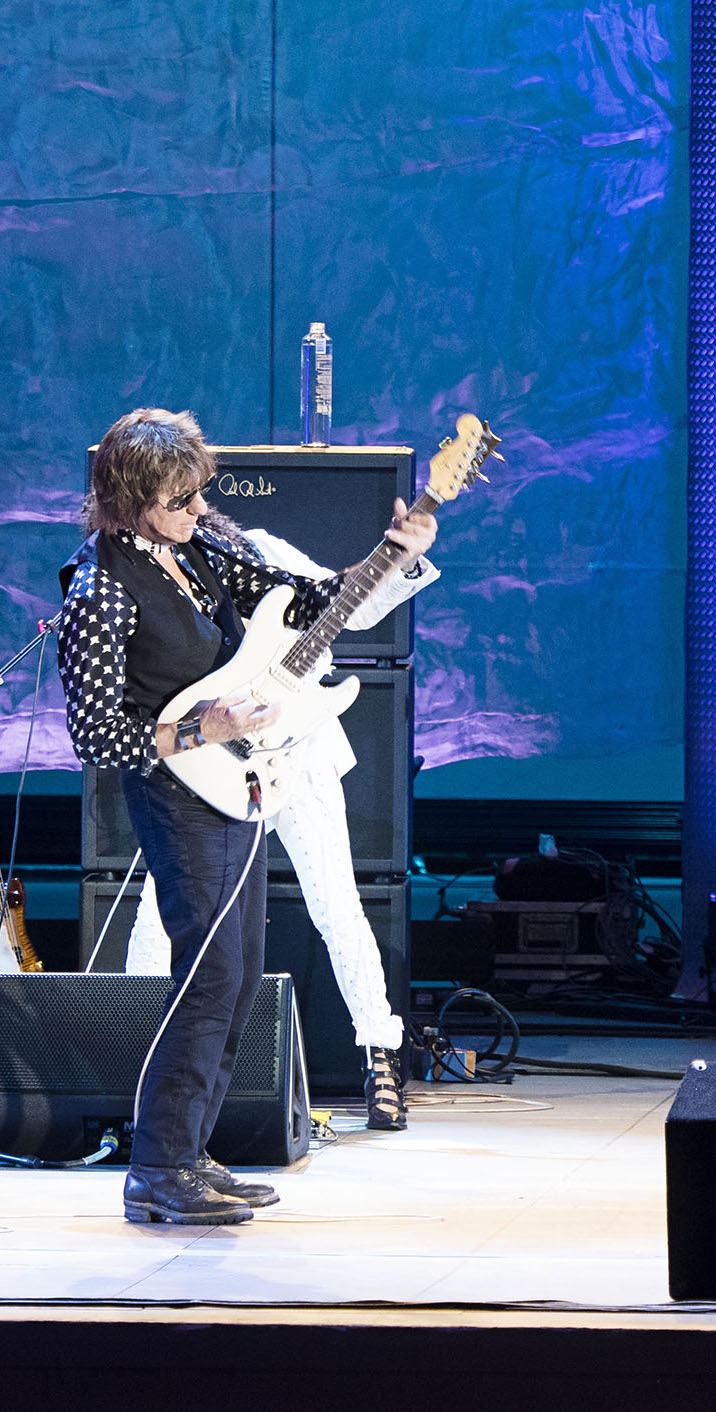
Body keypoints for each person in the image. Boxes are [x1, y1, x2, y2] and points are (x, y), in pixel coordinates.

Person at [57, 408, 435, 1224]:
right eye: (178, 500)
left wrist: (392, 557)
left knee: (237, 975)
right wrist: (206, 728)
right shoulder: (98, 588)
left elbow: (306, 604)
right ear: (127, 500)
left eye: (199, 494)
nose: (198, 510)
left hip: (238, 786)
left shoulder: (203, 545)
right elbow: (94, 733)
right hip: (179, 790)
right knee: (207, 978)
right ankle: (156, 1167)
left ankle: (189, 1152)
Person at [124, 512, 438, 1132]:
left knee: (337, 906)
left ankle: (381, 1055)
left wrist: (399, 555)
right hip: (217, 759)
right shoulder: (165, 574)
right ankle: (135, 1065)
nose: (188, 517)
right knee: (160, 913)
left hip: (302, 753)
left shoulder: (258, 550)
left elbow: (355, 609)